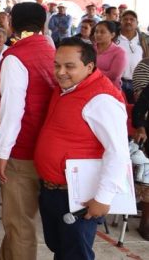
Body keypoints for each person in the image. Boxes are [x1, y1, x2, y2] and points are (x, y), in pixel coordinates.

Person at [34, 38, 128, 259]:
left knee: (75, 253)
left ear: (89, 67)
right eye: (57, 65)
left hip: (79, 197)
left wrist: (103, 198)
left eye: (69, 66)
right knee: (60, 248)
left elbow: (118, 152)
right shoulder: (65, 89)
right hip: (53, 190)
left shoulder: (102, 99)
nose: (60, 72)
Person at [0, 2, 57, 260]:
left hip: (21, 150)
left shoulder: (16, 57)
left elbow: (12, 110)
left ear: (10, 24)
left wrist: (2, 152)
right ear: (43, 24)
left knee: (20, 225)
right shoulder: (50, 50)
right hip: (45, 146)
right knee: (17, 221)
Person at [116, 10, 149, 102]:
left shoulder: (144, 39)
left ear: (137, 23)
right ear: (120, 21)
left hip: (138, 85)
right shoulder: (113, 38)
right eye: (125, 19)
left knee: (136, 111)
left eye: (132, 19)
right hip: (117, 83)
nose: (128, 22)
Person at [93, 20, 126, 88]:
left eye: (102, 32)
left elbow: (113, 75)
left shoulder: (119, 52)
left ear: (112, 35)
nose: (98, 34)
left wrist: (90, 71)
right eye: (96, 32)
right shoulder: (90, 48)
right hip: (90, 85)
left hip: (109, 88)